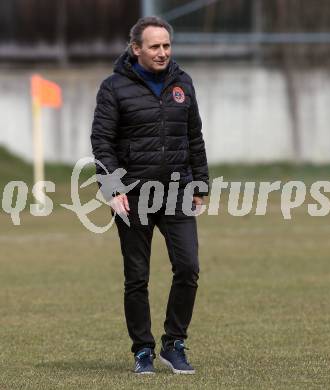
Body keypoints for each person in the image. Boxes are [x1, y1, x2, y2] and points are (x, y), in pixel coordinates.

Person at [91, 16, 209, 375]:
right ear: (136, 48)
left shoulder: (182, 83)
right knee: (137, 277)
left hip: (176, 191)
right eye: (154, 46)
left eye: (167, 46)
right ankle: (143, 350)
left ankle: (174, 344)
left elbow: (194, 138)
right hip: (133, 196)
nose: (162, 53)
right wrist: (112, 188)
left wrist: (200, 184)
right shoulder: (113, 88)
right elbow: (102, 143)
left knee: (188, 268)